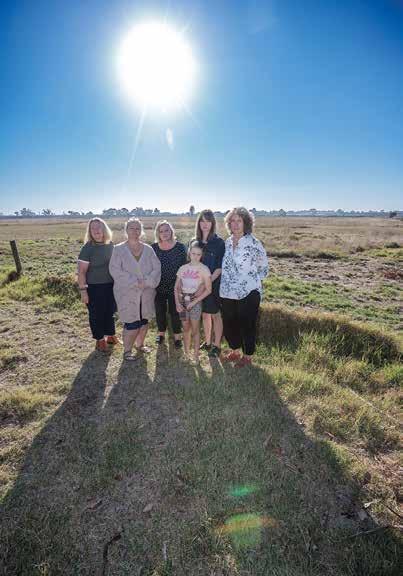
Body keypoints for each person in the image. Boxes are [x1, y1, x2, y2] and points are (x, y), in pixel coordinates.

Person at [220, 207, 269, 368]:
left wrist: (252, 281)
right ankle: (235, 351)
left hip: (248, 291)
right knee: (229, 322)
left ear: (246, 223)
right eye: (232, 221)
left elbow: (263, 267)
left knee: (247, 324)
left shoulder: (254, 243)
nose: (235, 224)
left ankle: (247, 356)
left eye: (239, 220)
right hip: (228, 290)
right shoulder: (227, 242)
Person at [109, 218, 161, 361]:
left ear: (141, 231)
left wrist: (147, 281)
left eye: (138, 228)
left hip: (146, 292)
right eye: (131, 228)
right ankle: (127, 351)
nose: (135, 231)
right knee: (131, 323)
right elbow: (115, 270)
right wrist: (134, 281)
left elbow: (157, 268)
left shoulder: (148, 249)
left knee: (144, 321)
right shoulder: (118, 249)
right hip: (127, 293)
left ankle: (140, 344)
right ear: (126, 230)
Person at [77, 218, 118, 351]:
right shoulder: (88, 248)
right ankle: (100, 340)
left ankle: (111, 336)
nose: (96, 230)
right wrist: (83, 291)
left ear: (104, 229)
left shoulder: (110, 245)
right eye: (93, 228)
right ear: (89, 231)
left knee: (110, 311)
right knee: (96, 314)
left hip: (110, 286)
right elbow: (81, 272)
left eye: (99, 227)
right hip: (93, 287)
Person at [194, 209, 225, 357]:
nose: (205, 224)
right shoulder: (195, 242)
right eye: (202, 221)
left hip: (213, 285)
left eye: (208, 221)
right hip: (197, 286)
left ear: (212, 223)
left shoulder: (219, 243)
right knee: (205, 314)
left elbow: (219, 268)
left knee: (215, 314)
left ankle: (217, 345)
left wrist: (206, 284)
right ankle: (207, 342)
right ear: (198, 223)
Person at [174, 241, 212, 362]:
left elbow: (208, 289)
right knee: (185, 328)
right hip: (182, 302)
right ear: (189, 253)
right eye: (193, 253)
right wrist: (177, 303)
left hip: (195, 302)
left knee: (195, 330)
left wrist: (195, 302)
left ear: (202, 255)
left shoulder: (204, 269)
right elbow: (176, 287)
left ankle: (196, 355)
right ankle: (186, 354)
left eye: (198, 254)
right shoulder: (183, 268)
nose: (195, 256)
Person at [152, 220, 187, 348]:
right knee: (159, 311)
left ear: (171, 231)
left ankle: (177, 336)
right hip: (158, 285)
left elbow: (184, 267)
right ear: (158, 233)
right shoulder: (153, 248)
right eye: (161, 231)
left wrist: (181, 286)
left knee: (175, 312)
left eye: (166, 230)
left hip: (175, 286)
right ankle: (161, 334)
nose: (164, 233)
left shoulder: (180, 247)